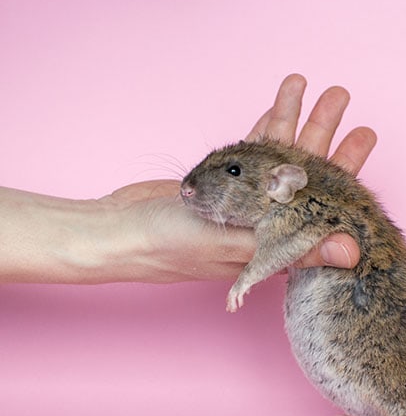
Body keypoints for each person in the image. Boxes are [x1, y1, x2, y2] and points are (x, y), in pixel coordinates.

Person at [0, 74, 376, 284]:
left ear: (279, 185)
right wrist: (118, 221)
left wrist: (113, 219)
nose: (188, 188)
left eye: (232, 172)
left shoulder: (289, 211)